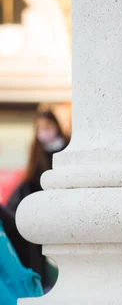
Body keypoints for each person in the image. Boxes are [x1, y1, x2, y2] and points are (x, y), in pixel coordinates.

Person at [7, 108, 67, 290]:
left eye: (47, 126)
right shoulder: (36, 149)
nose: (44, 131)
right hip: (40, 201)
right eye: (40, 128)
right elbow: (31, 176)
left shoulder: (67, 146)